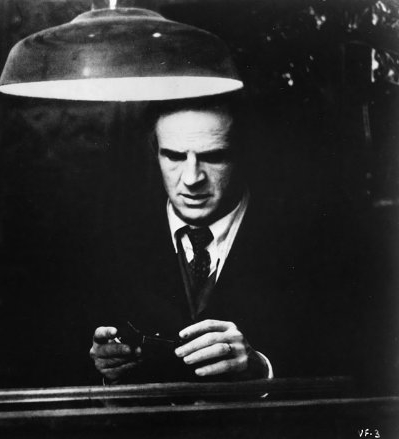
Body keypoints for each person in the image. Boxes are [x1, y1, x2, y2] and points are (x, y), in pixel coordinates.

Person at [89, 95, 354, 384]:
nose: (191, 179)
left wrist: (261, 370)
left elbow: (356, 369)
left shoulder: (312, 243)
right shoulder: (112, 241)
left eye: (214, 157)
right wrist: (107, 373)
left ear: (244, 153)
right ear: (155, 152)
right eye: (174, 157)